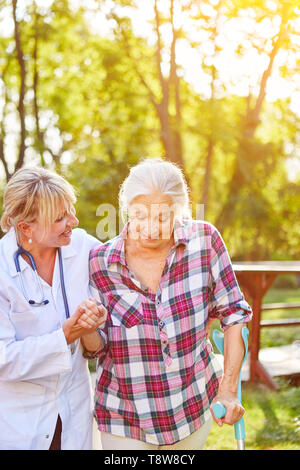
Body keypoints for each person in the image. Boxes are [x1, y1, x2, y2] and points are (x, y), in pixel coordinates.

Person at [82, 158, 253, 450]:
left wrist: (227, 390)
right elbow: (96, 347)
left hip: (191, 405)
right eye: (138, 216)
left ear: (178, 211)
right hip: (124, 414)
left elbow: (234, 314)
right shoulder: (102, 261)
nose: (149, 229)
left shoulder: (205, 241)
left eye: (161, 218)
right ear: (126, 210)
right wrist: (88, 328)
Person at [0, 167, 107, 450]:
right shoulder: (1, 270)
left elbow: (128, 259)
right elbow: (4, 359)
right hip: (20, 423)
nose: (73, 220)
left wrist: (91, 327)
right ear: (25, 227)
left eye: (69, 210)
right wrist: (65, 336)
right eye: (60, 218)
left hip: (73, 413)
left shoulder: (83, 247)